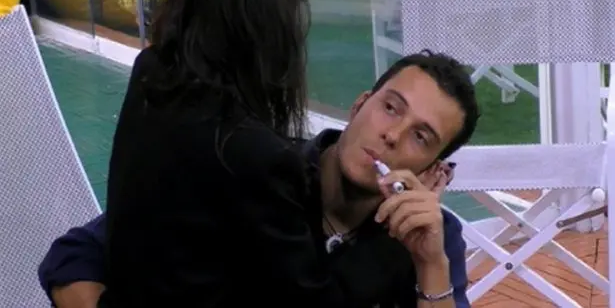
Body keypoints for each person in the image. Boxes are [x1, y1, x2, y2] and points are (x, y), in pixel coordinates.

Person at [40, 51, 479, 308]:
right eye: (390, 107)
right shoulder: (251, 168)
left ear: (432, 169)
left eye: (421, 137)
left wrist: (431, 266)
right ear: (360, 104)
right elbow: (76, 254)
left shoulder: (430, 239)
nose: (392, 135)